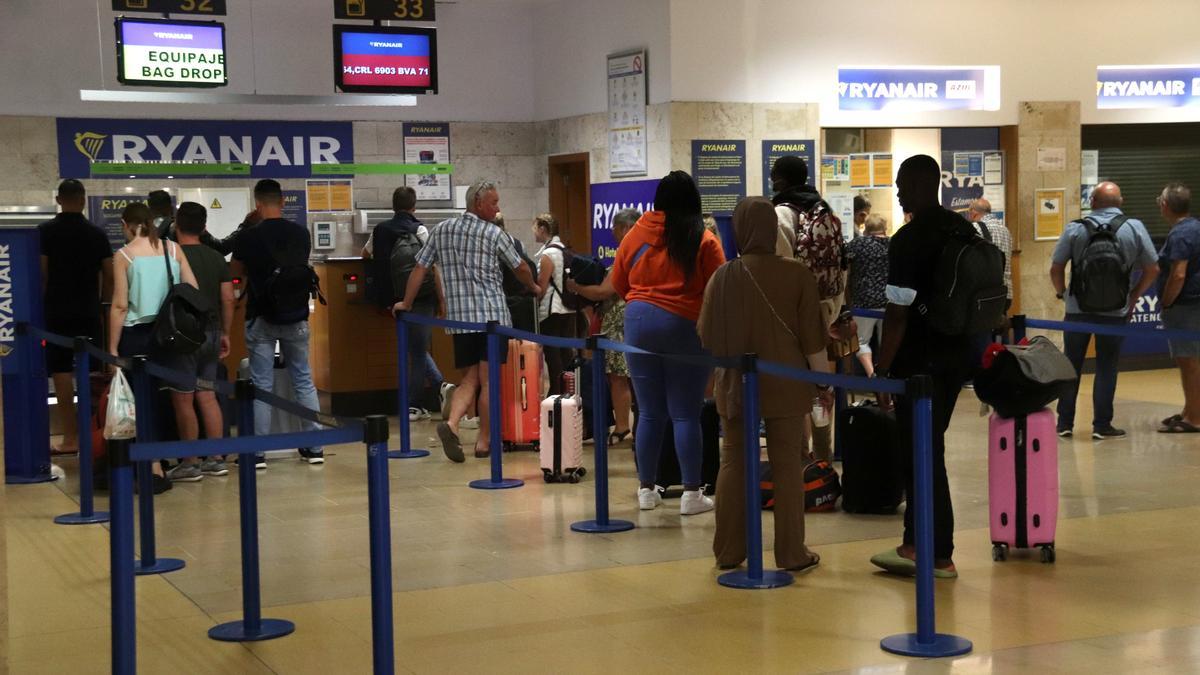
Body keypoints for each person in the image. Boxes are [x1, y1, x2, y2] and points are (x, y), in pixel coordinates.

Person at [699, 196, 830, 572]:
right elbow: (813, 340)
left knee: (733, 462)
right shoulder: (796, 274)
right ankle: (791, 553)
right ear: (774, 229)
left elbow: (707, 337)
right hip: (787, 381)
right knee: (788, 463)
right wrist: (822, 382)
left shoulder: (723, 275)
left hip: (736, 381)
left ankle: (728, 551)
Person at [869, 155, 976, 579]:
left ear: (919, 184)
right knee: (929, 448)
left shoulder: (909, 240)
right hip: (958, 356)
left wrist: (882, 369)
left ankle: (932, 550)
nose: (897, 192)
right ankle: (922, 544)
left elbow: (897, 314)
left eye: (901, 184)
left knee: (922, 454)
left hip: (919, 363)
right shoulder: (962, 229)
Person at [393, 180, 540, 462]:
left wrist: (406, 303)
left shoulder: (442, 230)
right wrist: (533, 287)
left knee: (469, 380)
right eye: (494, 203)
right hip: (491, 318)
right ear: (478, 204)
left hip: (460, 321)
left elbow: (420, 267)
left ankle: (451, 424)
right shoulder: (493, 233)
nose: (498, 208)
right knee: (489, 382)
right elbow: (520, 266)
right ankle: (484, 442)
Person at [609, 170, 725, 515]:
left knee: (649, 412)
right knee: (686, 414)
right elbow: (719, 287)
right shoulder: (702, 239)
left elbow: (618, 282)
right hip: (684, 325)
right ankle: (691, 493)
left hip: (639, 323)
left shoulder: (635, 235)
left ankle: (646, 489)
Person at [1050, 181, 1159, 440]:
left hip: (1077, 310)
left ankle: (1064, 423)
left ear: (1093, 203)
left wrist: (1062, 293)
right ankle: (1102, 425)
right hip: (1116, 311)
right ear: (1120, 203)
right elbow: (1153, 268)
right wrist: (1133, 297)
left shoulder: (1075, 228)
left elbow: (1056, 268)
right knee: (1107, 366)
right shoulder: (1134, 227)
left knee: (1071, 365)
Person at [231, 179, 327, 467]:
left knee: (261, 383)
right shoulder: (300, 233)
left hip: (261, 316)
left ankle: (258, 452)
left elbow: (236, 272)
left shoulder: (248, 236)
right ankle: (314, 447)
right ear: (283, 201)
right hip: (296, 315)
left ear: (257, 204)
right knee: (303, 379)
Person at [109, 201, 200, 493]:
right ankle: (159, 462)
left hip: (137, 335)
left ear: (126, 224)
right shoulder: (173, 249)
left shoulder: (123, 255)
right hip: (169, 334)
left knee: (141, 403)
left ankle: (152, 467)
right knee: (164, 400)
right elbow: (192, 290)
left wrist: (111, 347)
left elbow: (121, 305)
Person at [39, 179, 114, 456]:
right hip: (89, 312)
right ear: (83, 200)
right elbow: (109, 274)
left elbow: (42, 274)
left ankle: (70, 437)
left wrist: (42, 305)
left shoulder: (45, 232)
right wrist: (103, 305)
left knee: (60, 372)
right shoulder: (96, 234)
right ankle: (92, 437)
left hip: (55, 312)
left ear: (59, 200)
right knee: (91, 373)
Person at [771, 154, 839, 461]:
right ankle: (823, 458)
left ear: (780, 181)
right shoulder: (823, 208)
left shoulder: (781, 213)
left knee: (794, 389)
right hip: (827, 308)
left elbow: (782, 267)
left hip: (794, 315)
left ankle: (799, 458)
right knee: (822, 384)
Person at [164, 202, 234, 481]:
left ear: (175, 225)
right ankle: (216, 459)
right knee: (207, 395)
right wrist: (226, 332)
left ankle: (190, 463)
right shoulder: (216, 257)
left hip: (183, 337)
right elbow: (228, 298)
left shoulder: (170, 256)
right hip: (212, 332)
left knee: (184, 399)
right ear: (204, 227)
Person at [362, 186, 445, 420]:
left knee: (414, 349)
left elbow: (365, 255)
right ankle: (420, 401)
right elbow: (432, 265)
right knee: (418, 351)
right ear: (414, 206)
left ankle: (439, 389)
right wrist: (442, 301)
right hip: (421, 297)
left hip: (394, 300)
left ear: (393, 206)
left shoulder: (379, 230)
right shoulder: (419, 229)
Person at [566, 208, 640, 445]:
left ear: (627, 228)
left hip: (619, 321)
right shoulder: (640, 252)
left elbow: (605, 291)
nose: (612, 231)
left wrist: (576, 287)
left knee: (618, 377)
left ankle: (621, 427)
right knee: (629, 376)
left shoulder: (627, 254)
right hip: (629, 319)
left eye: (616, 227)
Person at [1155, 183, 1200, 433]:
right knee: (1191, 360)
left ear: (1165, 205)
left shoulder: (1180, 234)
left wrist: (1166, 301)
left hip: (1185, 306)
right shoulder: (1196, 227)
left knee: (1189, 361)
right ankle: (1190, 409)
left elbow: (1178, 274)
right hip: (1194, 303)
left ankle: (1194, 418)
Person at [533, 213, 583, 395]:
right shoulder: (564, 249)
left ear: (543, 229)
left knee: (553, 355)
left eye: (535, 227)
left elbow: (542, 286)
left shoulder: (548, 254)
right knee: (566, 353)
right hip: (568, 309)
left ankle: (556, 392)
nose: (534, 232)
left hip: (552, 310)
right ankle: (569, 392)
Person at [845, 213, 889, 377]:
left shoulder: (857, 245)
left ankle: (872, 375)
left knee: (861, 342)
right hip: (889, 302)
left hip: (863, 301)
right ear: (884, 227)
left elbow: (846, 271)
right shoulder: (892, 244)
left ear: (866, 228)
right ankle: (886, 377)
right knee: (886, 343)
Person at [967, 199, 1013, 309]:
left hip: (985, 294)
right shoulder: (1005, 230)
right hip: (1006, 292)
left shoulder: (975, 229)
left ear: (974, 213)